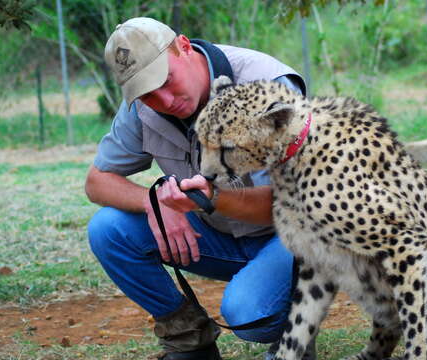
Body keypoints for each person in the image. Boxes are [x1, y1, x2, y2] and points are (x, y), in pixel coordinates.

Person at [85, 17, 313, 360]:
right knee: (108, 230)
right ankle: (189, 341)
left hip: (294, 237)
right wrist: (154, 202)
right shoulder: (142, 107)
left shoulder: (267, 86)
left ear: (184, 46)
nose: (163, 99)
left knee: (250, 314)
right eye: (147, 92)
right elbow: (97, 181)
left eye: (165, 80)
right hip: (222, 234)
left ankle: (293, 335)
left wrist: (213, 200)